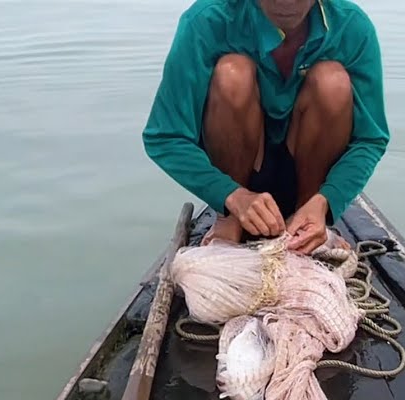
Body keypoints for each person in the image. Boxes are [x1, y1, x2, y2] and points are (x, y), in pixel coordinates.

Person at [142, 0, 389, 255]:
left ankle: (308, 221)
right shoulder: (206, 20)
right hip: (234, 178)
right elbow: (165, 137)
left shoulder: (352, 26)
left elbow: (369, 139)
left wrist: (327, 200)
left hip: (310, 174)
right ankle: (229, 221)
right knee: (232, 73)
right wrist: (229, 194)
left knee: (332, 81)